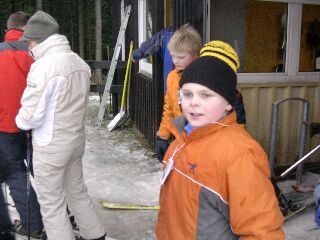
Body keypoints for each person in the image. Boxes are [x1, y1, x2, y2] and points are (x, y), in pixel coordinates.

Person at [155, 40, 284, 239]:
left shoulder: (240, 155)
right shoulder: (180, 140)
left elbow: (262, 232)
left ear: (228, 104)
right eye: (187, 94)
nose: (194, 103)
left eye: (206, 95)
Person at [15, 10, 106, 240]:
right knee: (77, 192)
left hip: (51, 146)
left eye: (30, 42)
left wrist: (19, 120)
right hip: (75, 141)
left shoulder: (45, 66)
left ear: (40, 40)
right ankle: (96, 235)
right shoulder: (78, 62)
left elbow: (30, 116)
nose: (28, 47)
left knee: (52, 203)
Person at [0, 11, 44, 239]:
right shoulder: (36, 53)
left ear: (8, 30)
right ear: (27, 29)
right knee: (44, 172)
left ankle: (33, 225)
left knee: (16, 174)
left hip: (5, 126)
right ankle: (64, 216)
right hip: (35, 125)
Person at [156, 23, 202, 162]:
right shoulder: (172, 77)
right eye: (173, 56)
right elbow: (169, 108)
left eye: (181, 57)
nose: (176, 61)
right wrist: (163, 135)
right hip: (181, 137)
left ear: (195, 55)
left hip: (201, 139)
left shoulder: (202, 78)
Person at [132, 26, 174, 92]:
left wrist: (135, 55)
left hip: (171, 87)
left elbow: (150, 45)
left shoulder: (167, 33)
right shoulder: (193, 33)